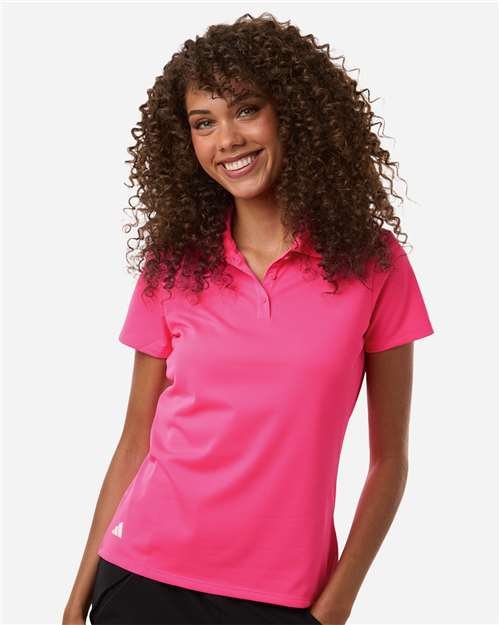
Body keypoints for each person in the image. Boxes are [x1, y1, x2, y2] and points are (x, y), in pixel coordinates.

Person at [62, 12, 434, 625]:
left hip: (286, 599)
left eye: (246, 109)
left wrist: (334, 607)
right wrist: (78, 597)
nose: (227, 139)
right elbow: (136, 440)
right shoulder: (173, 265)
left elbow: (389, 461)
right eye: (203, 122)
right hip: (142, 577)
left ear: (293, 113)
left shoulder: (373, 263)